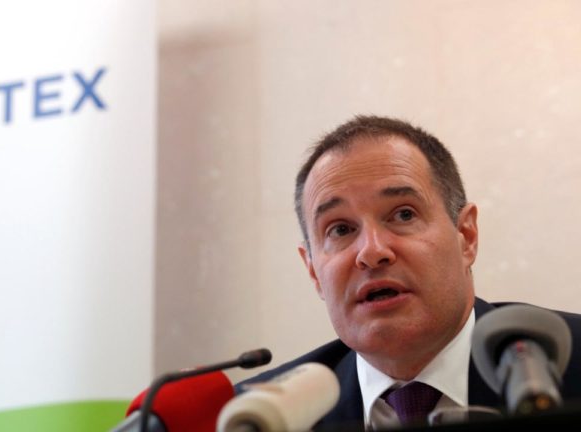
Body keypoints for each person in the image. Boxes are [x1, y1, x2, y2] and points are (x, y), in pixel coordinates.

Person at [237, 115, 581, 430]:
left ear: (466, 236)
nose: (372, 252)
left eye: (403, 214)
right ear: (313, 272)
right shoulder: (256, 419)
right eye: (340, 229)